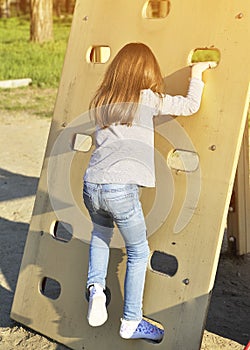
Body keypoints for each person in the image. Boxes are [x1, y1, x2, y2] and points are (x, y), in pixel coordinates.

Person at [83, 42, 215, 342]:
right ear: (147, 72)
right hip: (121, 190)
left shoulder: (104, 98)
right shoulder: (148, 99)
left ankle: (96, 290)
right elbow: (189, 106)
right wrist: (196, 73)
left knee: (100, 235)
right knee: (138, 252)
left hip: (91, 186)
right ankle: (131, 319)